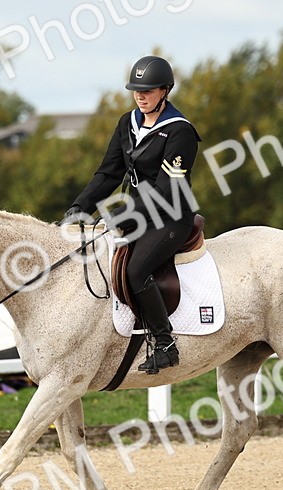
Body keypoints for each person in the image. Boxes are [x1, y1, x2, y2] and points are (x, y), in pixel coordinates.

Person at [60, 55, 201, 373]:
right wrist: (80, 207)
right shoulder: (128, 123)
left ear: (165, 90)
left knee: (136, 271)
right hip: (134, 213)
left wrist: (118, 215)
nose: (141, 95)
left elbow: (166, 191)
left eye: (148, 90)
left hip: (170, 217)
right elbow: (109, 174)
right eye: (136, 89)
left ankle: (165, 344)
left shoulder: (179, 132)